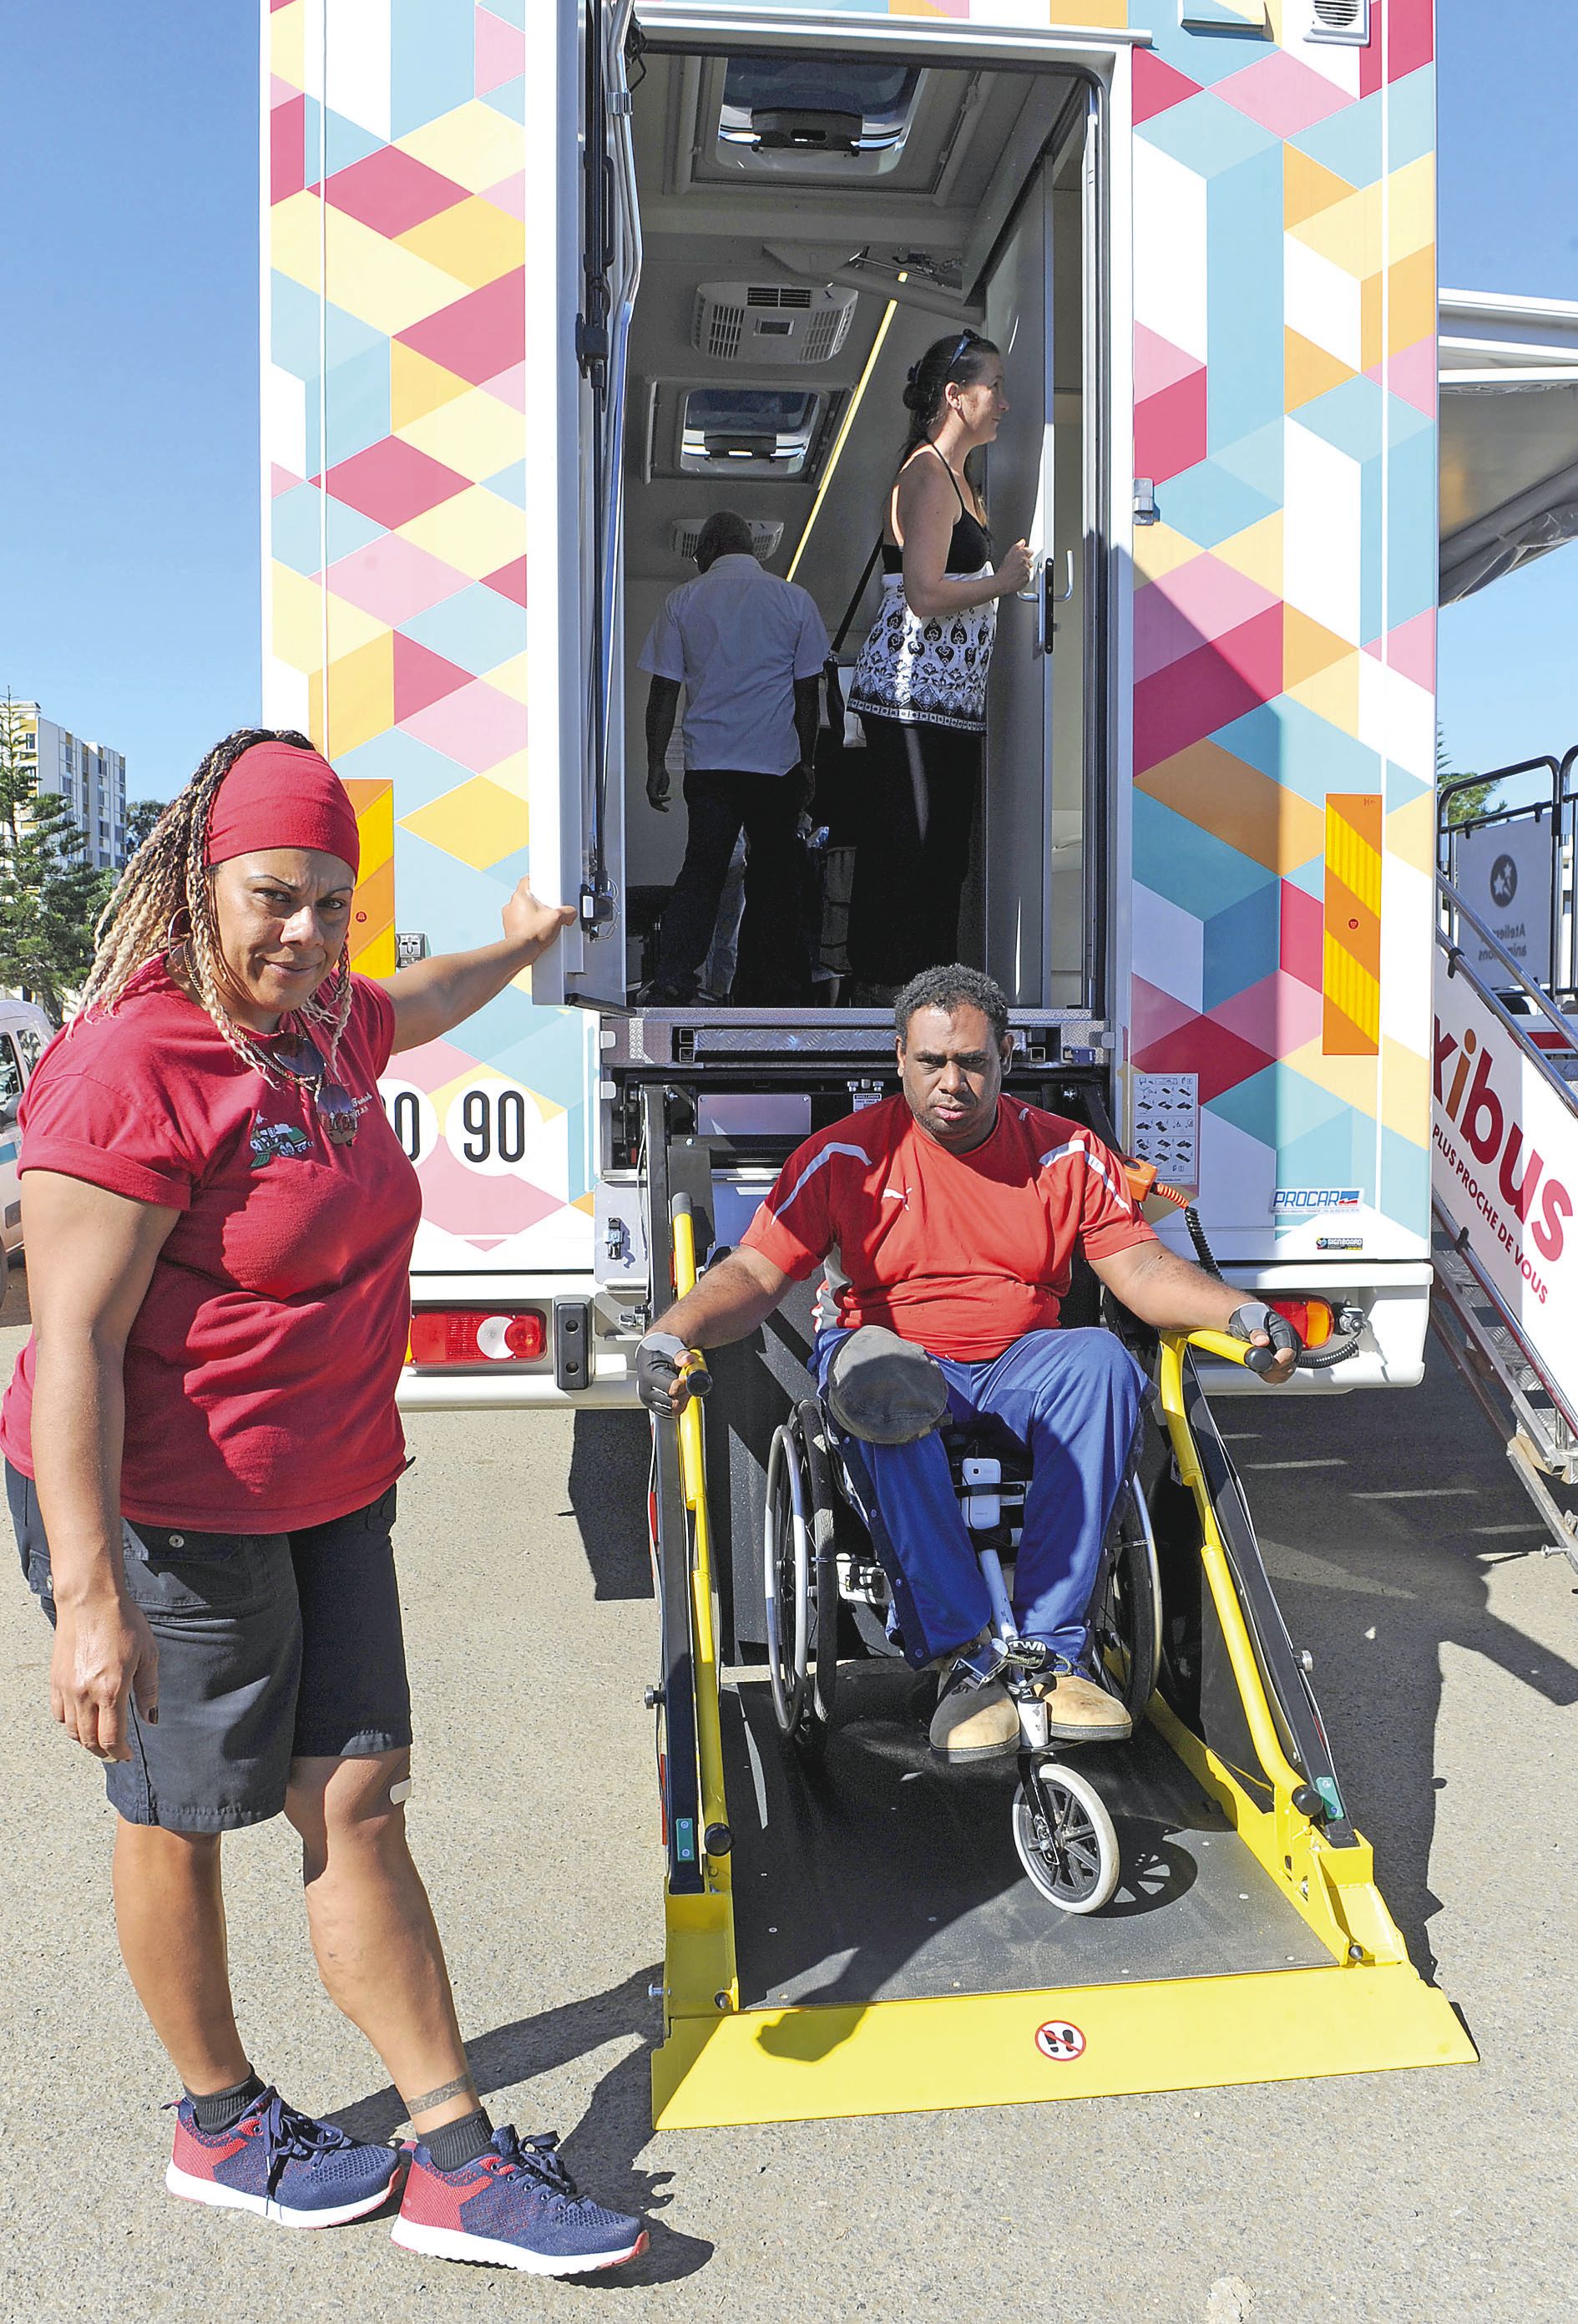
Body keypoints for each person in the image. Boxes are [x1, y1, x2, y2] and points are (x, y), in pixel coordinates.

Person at [3, 730, 645, 2278]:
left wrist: (520, 944)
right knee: (182, 1809)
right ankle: (217, 2124)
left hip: (330, 1489)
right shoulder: (132, 1058)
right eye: (275, 896)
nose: (304, 932)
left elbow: (410, 1005)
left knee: (356, 1791)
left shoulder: (323, 1025)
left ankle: (456, 2163)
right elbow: (72, 1334)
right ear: (198, 883)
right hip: (161, 1509)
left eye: (332, 904)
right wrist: (89, 1599)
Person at [635, 963, 1299, 1763]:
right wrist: (673, 1332)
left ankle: (1055, 1650)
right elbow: (753, 1274)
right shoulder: (844, 1156)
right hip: (892, 1352)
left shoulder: (1068, 1154)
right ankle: (966, 1656)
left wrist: (1240, 1311)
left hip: (1017, 1359)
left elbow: (1144, 1270)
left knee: (1103, 1362)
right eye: (931, 1062)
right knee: (883, 1372)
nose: (953, 1082)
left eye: (973, 1062)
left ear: (1007, 1058)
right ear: (900, 1060)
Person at [844, 332, 1034, 1004]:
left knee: (940, 855)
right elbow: (924, 593)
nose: (1005, 403)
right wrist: (1004, 582)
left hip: (946, 704)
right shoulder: (926, 475)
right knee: (914, 853)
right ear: (956, 397)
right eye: (995, 387)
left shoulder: (959, 480)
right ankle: (898, 998)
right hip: (911, 702)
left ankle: (929, 998)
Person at [640, 509, 828, 1006]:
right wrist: (807, 763)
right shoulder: (795, 601)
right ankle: (767, 988)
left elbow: (664, 691)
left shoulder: (683, 600)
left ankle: (677, 977)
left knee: (702, 873)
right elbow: (806, 692)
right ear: (751, 548)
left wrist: (656, 761)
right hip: (776, 766)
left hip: (712, 768)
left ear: (705, 552)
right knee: (773, 879)